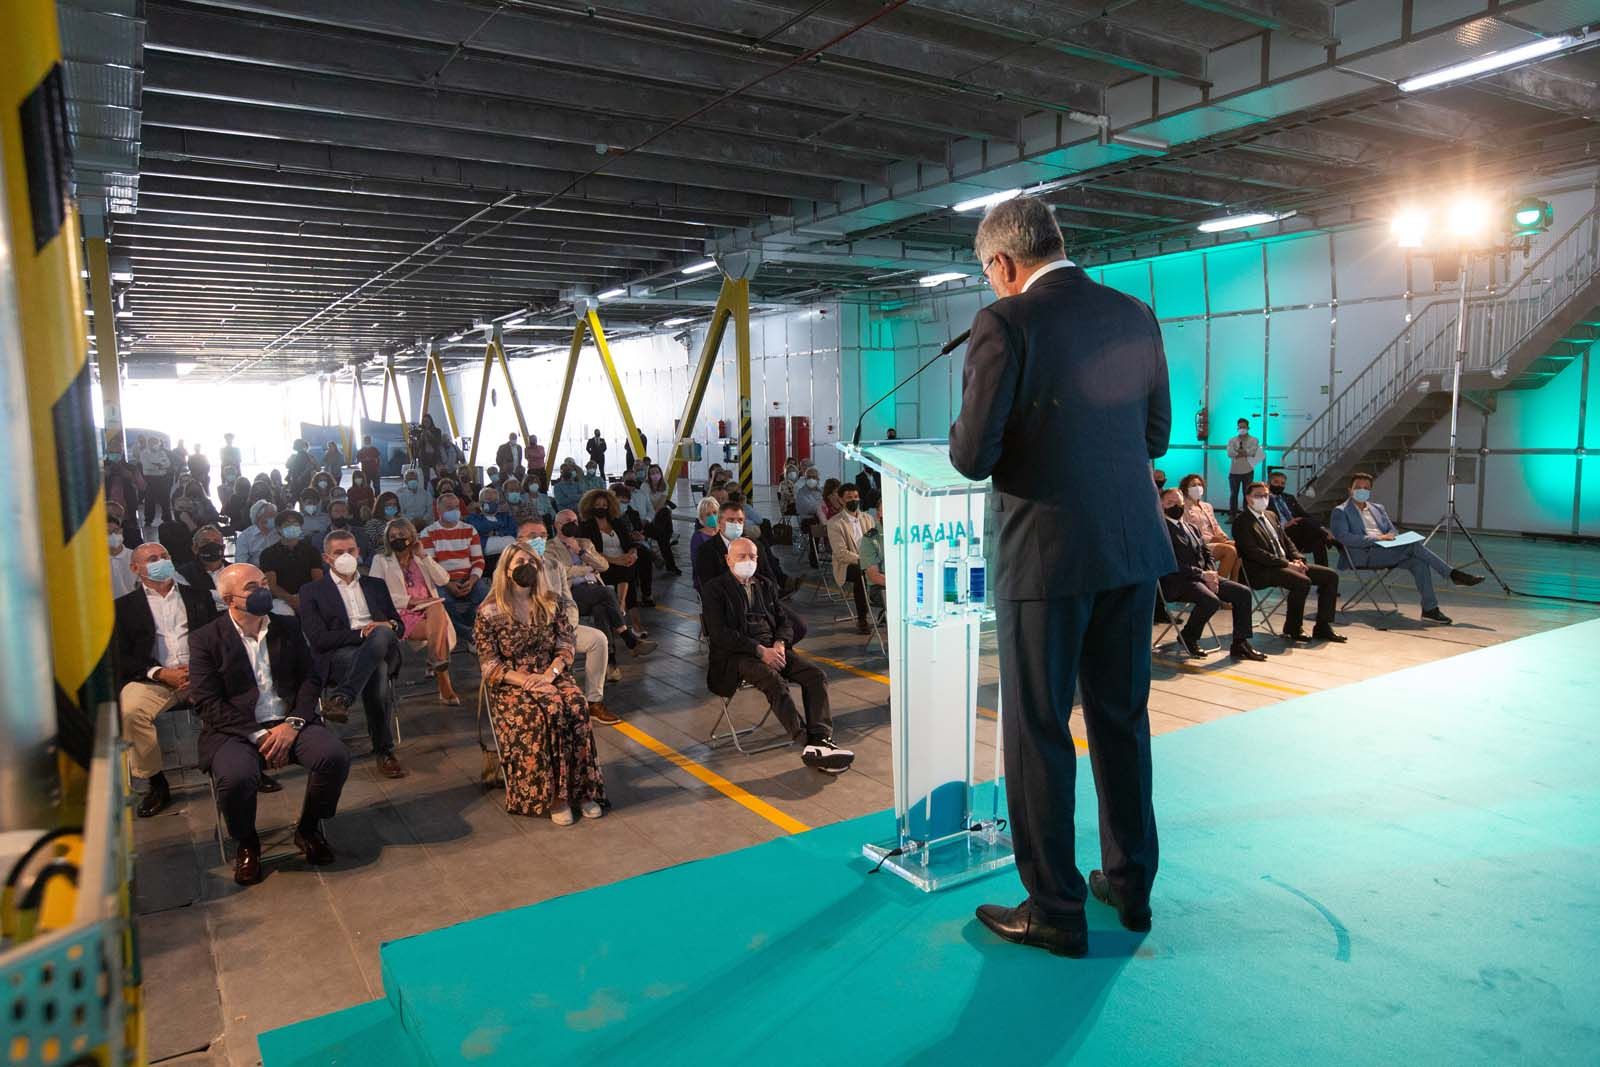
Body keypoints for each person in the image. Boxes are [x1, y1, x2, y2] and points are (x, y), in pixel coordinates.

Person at [949, 195, 1174, 958]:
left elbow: (972, 454)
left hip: (1045, 557)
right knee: (1122, 719)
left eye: (988, 273)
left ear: (1004, 264)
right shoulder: (1135, 314)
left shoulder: (1006, 323)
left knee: (1039, 730)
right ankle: (1131, 884)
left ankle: (1054, 908)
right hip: (1130, 551)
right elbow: (1157, 434)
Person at [189, 564, 350, 886]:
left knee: (334, 756)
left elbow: (310, 679)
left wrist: (292, 724)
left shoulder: (288, 627)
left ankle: (308, 829)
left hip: (289, 720)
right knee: (235, 778)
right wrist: (260, 734)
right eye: (252, 587)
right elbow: (208, 702)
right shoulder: (205, 639)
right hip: (235, 728)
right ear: (228, 599)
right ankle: (247, 841)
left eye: (264, 583)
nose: (262, 591)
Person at [474, 542, 608, 824]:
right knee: (544, 713)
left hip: (551, 673)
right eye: (520, 562)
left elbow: (566, 644)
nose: (527, 567)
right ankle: (553, 796)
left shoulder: (551, 601)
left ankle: (582, 790)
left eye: (532, 562)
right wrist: (526, 681)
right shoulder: (489, 611)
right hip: (512, 683)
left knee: (576, 706)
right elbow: (489, 664)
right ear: (507, 570)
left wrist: (549, 675)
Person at [702, 538, 853, 773]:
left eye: (752, 557)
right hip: (737, 655)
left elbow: (784, 620)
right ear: (728, 559)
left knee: (815, 675)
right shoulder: (714, 589)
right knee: (773, 680)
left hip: (773, 647)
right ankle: (807, 742)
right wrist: (759, 651)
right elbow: (720, 634)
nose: (748, 561)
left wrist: (780, 644)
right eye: (741, 556)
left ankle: (822, 737)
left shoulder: (765, 585)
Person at [114, 543, 220, 816]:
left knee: (239, 690)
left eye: (165, 556)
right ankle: (156, 781)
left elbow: (218, 639)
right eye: (152, 559)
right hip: (154, 678)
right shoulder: (124, 607)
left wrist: (199, 669)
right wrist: (160, 673)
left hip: (200, 673)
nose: (161, 561)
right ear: (135, 568)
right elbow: (120, 657)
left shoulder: (199, 597)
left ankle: (246, 765)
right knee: (131, 711)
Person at [299, 531, 407, 778]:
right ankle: (384, 750)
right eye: (339, 552)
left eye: (351, 551)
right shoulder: (311, 591)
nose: (346, 556)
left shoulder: (375, 585)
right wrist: (361, 634)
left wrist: (385, 626)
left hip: (384, 646)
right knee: (376, 669)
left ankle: (343, 698)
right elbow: (318, 639)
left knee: (381, 634)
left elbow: (398, 625)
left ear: (359, 553)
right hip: (340, 655)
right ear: (327, 558)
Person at [1328, 472, 1483, 623]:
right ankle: (1453, 574)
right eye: (1358, 487)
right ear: (1350, 490)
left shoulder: (1378, 508)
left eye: (1366, 488)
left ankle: (1430, 609)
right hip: (1364, 554)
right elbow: (1344, 537)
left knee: (1419, 563)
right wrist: (1378, 538)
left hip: (1387, 550)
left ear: (1370, 491)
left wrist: (1391, 538)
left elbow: (1392, 530)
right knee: (1413, 546)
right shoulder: (1340, 511)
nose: (1362, 491)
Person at [517, 517, 617, 725]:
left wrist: (568, 629)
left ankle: (594, 701)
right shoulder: (511, 568)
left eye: (543, 536)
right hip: (527, 634)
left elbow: (568, 601)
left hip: (560, 629)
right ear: (519, 540)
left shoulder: (554, 565)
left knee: (598, 639)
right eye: (533, 537)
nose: (539, 541)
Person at [1157, 488, 1265, 661]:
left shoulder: (1192, 527)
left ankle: (1240, 643)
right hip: (1178, 581)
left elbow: (1206, 553)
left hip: (1202, 577)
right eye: (1170, 503)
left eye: (1178, 503)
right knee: (1210, 601)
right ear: (1161, 505)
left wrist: (1212, 573)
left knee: (1243, 593)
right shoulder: (1160, 530)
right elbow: (1171, 563)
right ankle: (1189, 636)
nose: (1175, 506)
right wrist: (1203, 575)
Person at [1234, 481, 1345, 644]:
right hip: (1261, 570)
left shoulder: (1271, 516)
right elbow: (1254, 553)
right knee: (1302, 582)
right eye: (1258, 496)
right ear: (1248, 499)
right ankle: (1293, 627)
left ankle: (1323, 626)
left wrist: (1297, 559)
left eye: (1265, 495)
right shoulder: (1242, 521)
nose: (1262, 499)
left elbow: (1287, 542)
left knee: (1330, 576)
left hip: (1285, 564)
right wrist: (1286, 564)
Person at [548, 508, 653, 675]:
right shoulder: (550, 548)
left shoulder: (585, 543)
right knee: (605, 593)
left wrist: (580, 552)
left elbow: (604, 566)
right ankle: (629, 639)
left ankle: (611, 664)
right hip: (572, 593)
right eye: (568, 522)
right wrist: (586, 568)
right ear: (557, 525)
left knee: (601, 609)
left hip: (594, 589)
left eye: (575, 521)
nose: (573, 524)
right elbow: (562, 571)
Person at [370, 519, 461, 704]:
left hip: (430, 611)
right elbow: (376, 593)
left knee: (436, 606)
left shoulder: (421, 559)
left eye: (401, 536)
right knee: (438, 617)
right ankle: (443, 678)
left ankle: (435, 659)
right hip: (401, 613)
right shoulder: (381, 560)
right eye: (392, 536)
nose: (397, 539)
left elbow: (444, 580)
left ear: (411, 537)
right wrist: (411, 601)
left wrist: (424, 556)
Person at [420, 492, 487, 643]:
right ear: (439, 510)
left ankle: (465, 626)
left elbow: (478, 561)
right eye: (450, 508)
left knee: (485, 597)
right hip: (442, 581)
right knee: (443, 603)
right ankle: (468, 633)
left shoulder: (470, 530)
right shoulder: (428, 533)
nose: (455, 511)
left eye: (456, 507)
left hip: (468, 578)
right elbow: (431, 566)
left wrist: (472, 580)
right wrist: (448, 584)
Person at [578, 488, 652, 617]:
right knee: (626, 571)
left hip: (623, 559)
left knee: (640, 557)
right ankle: (622, 605)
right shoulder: (586, 526)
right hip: (602, 563)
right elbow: (590, 553)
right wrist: (616, 560)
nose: (601, 508)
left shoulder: (617, 522)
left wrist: (632, 553)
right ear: (590, 506)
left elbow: (630, 543)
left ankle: (627, 602)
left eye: (605, 505)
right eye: (598, 505)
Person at [826, 484, 875, 634]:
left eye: (856, 497)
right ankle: (862, 619)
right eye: (849, 498)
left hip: (869, 561)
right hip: (847, 565)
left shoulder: (868, 518)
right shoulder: (835, 523)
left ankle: (886, 611)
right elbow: (841, 553)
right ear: (841, 500)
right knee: (861, 574)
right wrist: (864, 560)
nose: (853, 500)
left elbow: (875, 543)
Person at [1177, 474, 1240, 581]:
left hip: (1215, 541)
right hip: (1199, 545)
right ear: (1185, 488)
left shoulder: (1207, 506)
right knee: (1229, 551)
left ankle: (1235, 581)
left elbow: (1215, 525)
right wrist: (1211, 539)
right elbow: (1187, 531)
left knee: (1239, 546)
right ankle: (1219, 585)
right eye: (1193, 485)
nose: (1197, 487)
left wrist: (1223, 537)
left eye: (1199, 484)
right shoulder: (1182, 508)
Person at [1264, 469, 1333, 566]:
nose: (1280, 485)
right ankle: (1329, 538)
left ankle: (1324, 572)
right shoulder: (1264, 499)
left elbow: (1305, 515)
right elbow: (1264, 520)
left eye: (1282, 483)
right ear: (1269, 483)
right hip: (1282, 533)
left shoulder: (1289, 498)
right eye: (1276, 482)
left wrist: (1321, 527)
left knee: (1318, 540)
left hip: (1298, 532)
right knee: (1303, 522)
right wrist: (1285, 524)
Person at [259, 510, 323, 613]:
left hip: (309, 595)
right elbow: (272, 585)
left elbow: (318, 579)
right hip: (281, 599)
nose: (292, 526)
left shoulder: (311, 550)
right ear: (278, 529)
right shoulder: (268, 554)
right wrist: (291, 600)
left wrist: (306, 597)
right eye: (287, 524)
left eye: (295, 524)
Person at [178, 524, 229, 609]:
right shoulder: (183, 575)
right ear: (195, 548)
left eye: (216, 541)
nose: (212, 545)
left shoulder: (236, 571)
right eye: (206, 542)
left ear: (223, 548)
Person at [1226, 418, 1263, 516]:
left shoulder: (1254, 440)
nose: (1242, 429)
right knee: (1234, 495)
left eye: (1244, 427)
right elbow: (1230, 453)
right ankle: (1232, 515)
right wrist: (1245, 452)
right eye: (1240, 427)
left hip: (1248, 471)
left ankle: (1246, 515)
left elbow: (1253, 452)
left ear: (1248, 427)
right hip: (1234, 472)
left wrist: (1239, 452)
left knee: (1247, 494)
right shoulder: (1232, 440)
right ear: (1237, 428)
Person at [139, 435, 175, 525]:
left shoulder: (162, 453)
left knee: (165, 499)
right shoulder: (144, 453)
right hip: (150, 479)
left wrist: (159, 466)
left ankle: (167, 518)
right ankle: (148, 520)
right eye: (153, 443)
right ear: (149, 443)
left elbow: (167, 464)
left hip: (162, 479)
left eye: (156, 443)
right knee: (149, 500)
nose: (155, 444)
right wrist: (160, 466)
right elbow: (147, 466)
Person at [235, 500, 279, 569]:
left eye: (275, 514)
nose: (275, 517)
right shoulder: (245, 537)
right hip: (256, 573)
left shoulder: (279, 532)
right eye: (271, 515)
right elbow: (241, 564)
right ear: (259, 517)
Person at [107, 513, 138, 598]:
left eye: (116, 531)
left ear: (121, 531)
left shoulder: (135, 556)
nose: (113, 535)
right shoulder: (94, 561)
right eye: (107, 533)